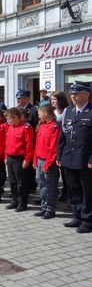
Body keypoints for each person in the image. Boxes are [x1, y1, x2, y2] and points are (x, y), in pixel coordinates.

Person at [57, 81, 92, 233]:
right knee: (73, 189)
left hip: (85, 158)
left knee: (87, 191)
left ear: (87, 94)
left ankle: (88, 220)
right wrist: (59, 155)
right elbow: (62, 136)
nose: (73, 96)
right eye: (72, 94)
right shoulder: (69, 111)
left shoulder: (91, 111)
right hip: (68, 156)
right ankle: (77, 216)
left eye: (77, 93)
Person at [4, 108, 34, 212]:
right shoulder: (10, 127)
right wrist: (5, 156)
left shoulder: (26, 128)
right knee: (12, 181)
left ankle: (22, 203)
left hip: (20, 159)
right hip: (10, 157)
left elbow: (29, 145)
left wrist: (27, 159)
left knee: (21, 182)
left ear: (16, 117)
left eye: (9, 119)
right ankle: (14, 200)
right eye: (7, 119)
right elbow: (7, 143)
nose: (8, 121)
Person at [33, 105, 60, 219]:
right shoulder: (42, 126)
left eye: (39, 113)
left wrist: (48, 163)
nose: (38, 115)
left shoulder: (54, 127)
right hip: (40, 160)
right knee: (42, 185)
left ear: (46, 113)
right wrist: (35, 159)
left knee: (50, 186)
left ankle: (50, 209)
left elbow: (53, 148)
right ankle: (44, 207)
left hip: (48, 161)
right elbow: (37, 144)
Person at [50, 91, 70, 201]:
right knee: (52, 171)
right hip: (51, 145)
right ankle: (53, 192)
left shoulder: (66, 112)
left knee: (65, 172)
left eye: (55, 99)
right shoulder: (51, 112)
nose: (52, 101)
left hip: (62, 144)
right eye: (51, 99)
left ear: (60, 100)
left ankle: (66, 193)